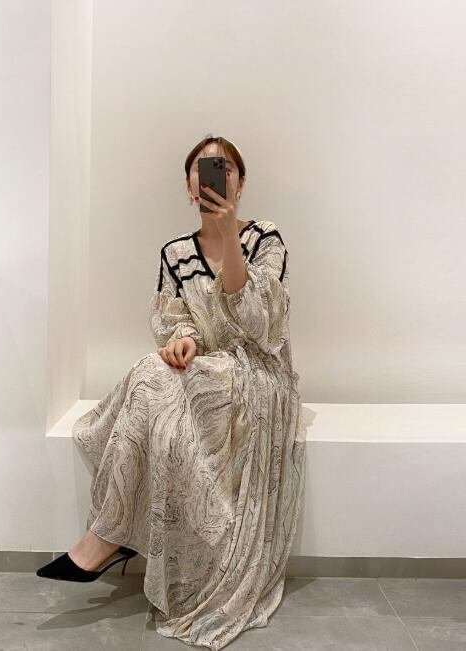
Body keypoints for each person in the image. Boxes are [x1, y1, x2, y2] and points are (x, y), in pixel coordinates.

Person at [36, 135, 306, 650]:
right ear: (189, 185)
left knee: (156, 383)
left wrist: (229, 233)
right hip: (205, 366)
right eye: (203, 168)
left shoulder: (264, 238)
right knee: (149, 370)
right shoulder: (175, 252)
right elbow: (177, 322)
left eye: (224, 167)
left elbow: (261, 325)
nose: (214, 175)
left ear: (240, 182)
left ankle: (107, 539)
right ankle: (109, 534)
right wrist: (183, 341)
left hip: (257, 374)